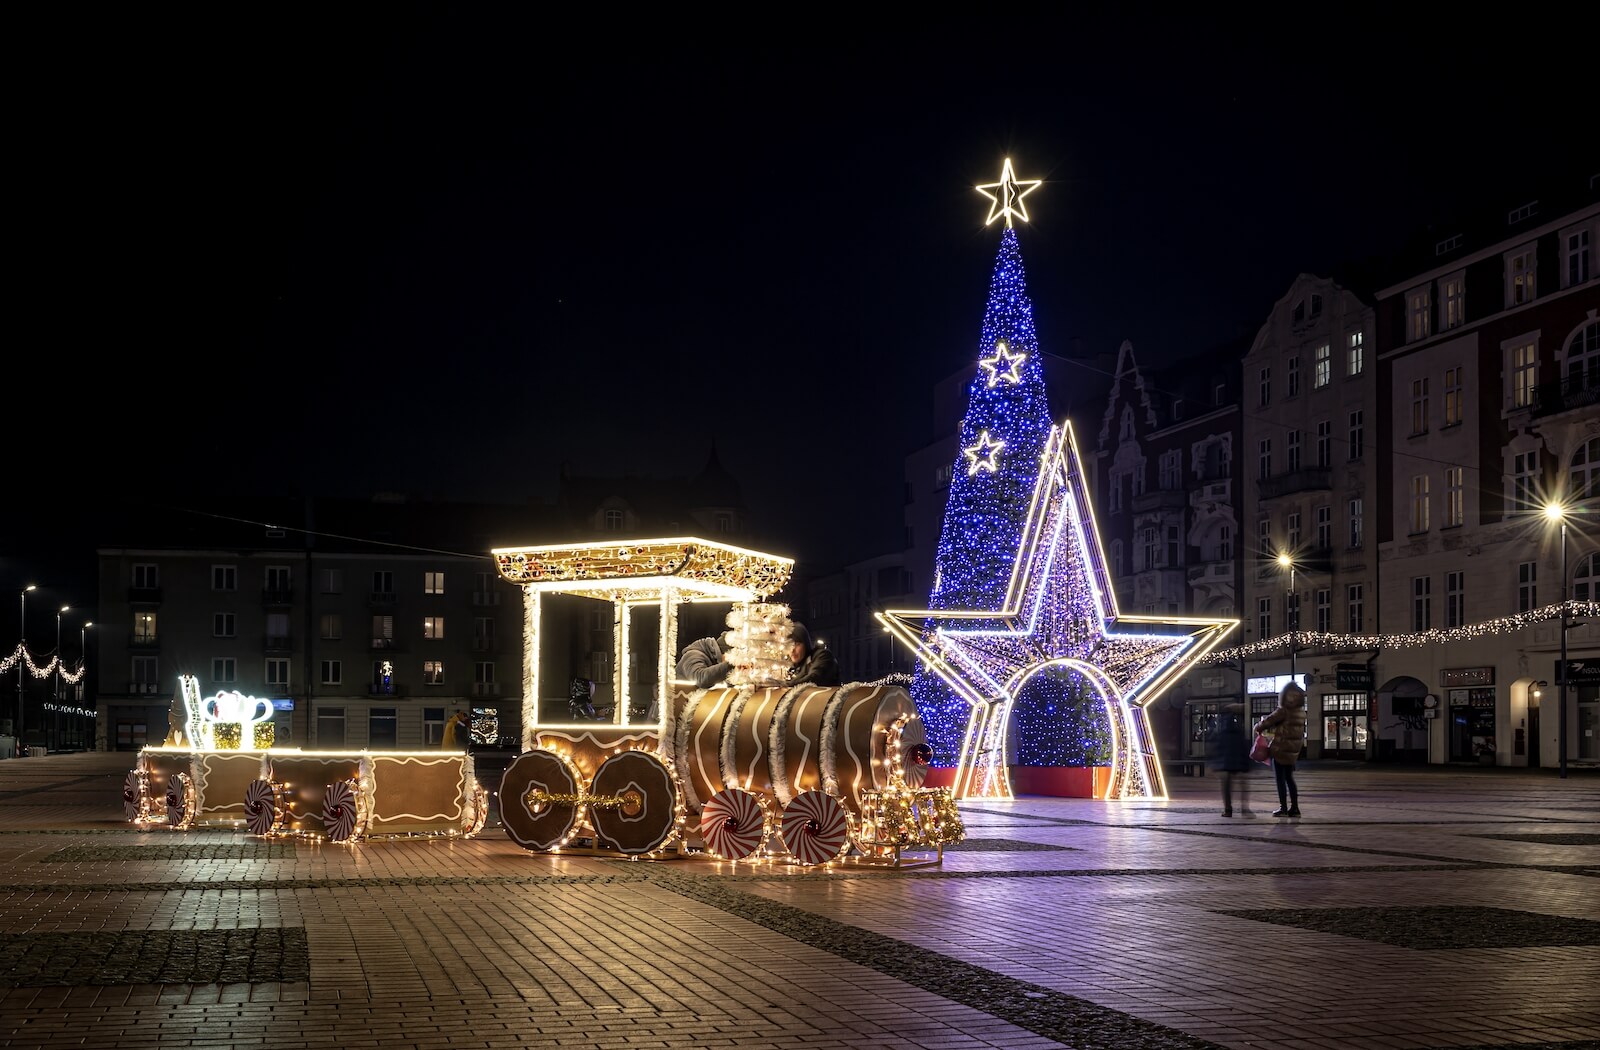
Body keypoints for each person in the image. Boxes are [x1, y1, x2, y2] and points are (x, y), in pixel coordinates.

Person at [1254, 682, 1307, 817]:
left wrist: (1258, 727)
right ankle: (1295, 808)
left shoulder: (1283, 710)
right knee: (1289, 778)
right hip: (1292, 751)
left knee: (1280, 779)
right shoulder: (1301, 712)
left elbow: (1268, 721)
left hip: (1280, 749)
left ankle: (1283, 808)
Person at [1211, 703, 1253, 817]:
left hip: (1226, 762)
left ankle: (1228, 809)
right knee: (1243, 785)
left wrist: (1215, 763)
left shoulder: (1222, 728)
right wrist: (1247, 762)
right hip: (1238, 761)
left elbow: (1218, 746)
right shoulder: (1238, 727)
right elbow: (1243, 746)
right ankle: (1244, 809)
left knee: (1226, 786)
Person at [785, 622, 841, 687]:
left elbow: (814, 678)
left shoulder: (822, 656)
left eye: (797, 644)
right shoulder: (790, 667)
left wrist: (786, 685)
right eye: (789, 645)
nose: (792, 650)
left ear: (806, 644)